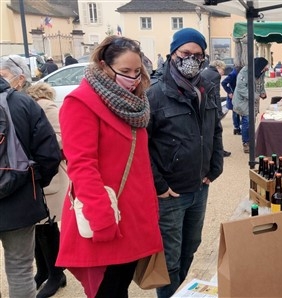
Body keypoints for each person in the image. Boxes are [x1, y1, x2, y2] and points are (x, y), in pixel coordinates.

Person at [55, 35, 163, 297]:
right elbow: (81, 166)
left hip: (133, 218)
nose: (134, 78)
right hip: (105, 217)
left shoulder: (132, 102)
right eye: (125, 71)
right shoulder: (80, 102)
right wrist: (102, 220)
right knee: (107, 291)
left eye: (137, 71)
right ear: (104, 65)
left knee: (120, 286)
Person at [146, 28, 224, 298]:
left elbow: (215, 129)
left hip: (199, 186)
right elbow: (141, 146)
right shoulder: (154, 94)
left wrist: (215, 167)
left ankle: (179, 292)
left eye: (198, 55)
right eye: (185, 53)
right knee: (169, 259)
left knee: (191, 246)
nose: (191, 59)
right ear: (173, 54)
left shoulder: (207, 88)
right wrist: (159, 184)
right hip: (170, 192)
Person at [0, 76, 61, 297]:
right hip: (20, 199)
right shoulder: (23, 103)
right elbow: (49, 154)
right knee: (20, 269)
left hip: (20, 197)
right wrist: (35, 182)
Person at [26, 83, 69, 298]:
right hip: (35, 174)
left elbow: (61, 137)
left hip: (49, 173)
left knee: (47, 226)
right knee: (36, 227)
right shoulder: (26, 105)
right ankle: (44, 270)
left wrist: (34, 147)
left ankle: (56, 273)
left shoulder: (45, 106)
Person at [232, 57, 268, 154]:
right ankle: (246, 143)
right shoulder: (244, 72)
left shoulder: (260, 72)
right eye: (265, 67)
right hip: (243, 101)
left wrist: (263, 92)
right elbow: (241, 88)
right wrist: (256, 96)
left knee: (252, 121)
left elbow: (261, 84)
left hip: (253, 101)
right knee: (247, 121)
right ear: (259, 66)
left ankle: (251, 140)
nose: (266, 69)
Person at [201, 59, 232, 157]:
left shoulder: (205, 71)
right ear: (218, 67)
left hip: (203, 104)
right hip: (210, 106)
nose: (223, 73)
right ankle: (219, 151)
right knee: (217, 129)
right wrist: (219, 110)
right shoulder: (215, 75)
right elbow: (216, 94)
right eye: (223, 70)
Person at [221, 65, 242, 135]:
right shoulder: (233, 74)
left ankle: (239, 128)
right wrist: (229, 92)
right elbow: (224, 82)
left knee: (239, 111)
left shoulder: (236, 72)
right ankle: (237, 128)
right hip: (234, 95)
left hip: (238, 95)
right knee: (236, 112)